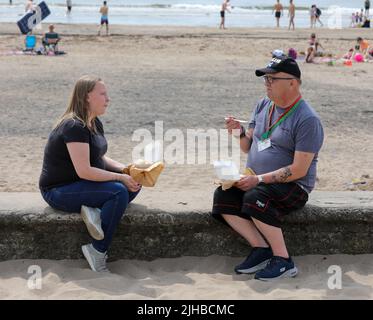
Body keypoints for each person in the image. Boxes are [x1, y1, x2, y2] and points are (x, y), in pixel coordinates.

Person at [213, 56, 324, 280]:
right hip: (257, 180)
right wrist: (237, 132)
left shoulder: (307, 119)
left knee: (255, 197)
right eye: (266, 79)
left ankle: (283, 260)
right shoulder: (264, 105)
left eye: (272, 79)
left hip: (293, 186)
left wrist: (259, 180)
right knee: (222, 196)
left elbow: (299, 170)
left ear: (292, 82)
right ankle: (261, 249)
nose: (267, 83)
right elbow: (247, 146)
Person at [39, 76, 142, 273]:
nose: (108, 99)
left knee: (136, 180)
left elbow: (100, 158)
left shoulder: (94, 123)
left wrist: (127, 170)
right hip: (58, 190)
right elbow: (84, 170)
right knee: (118, 192)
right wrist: (120, 177)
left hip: (81, 184)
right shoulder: (74, 126)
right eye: (102, 94)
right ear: (87, 97)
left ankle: (93, 208)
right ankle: (97, 251)